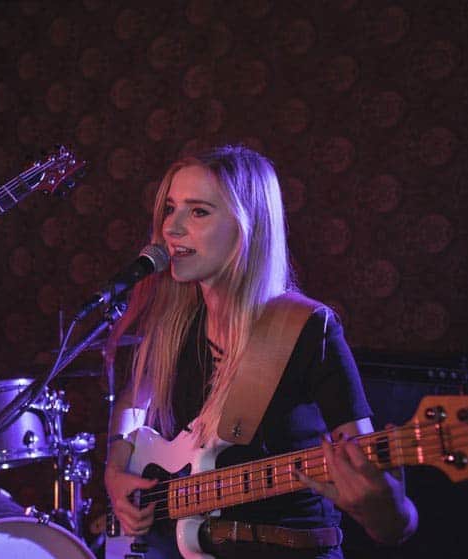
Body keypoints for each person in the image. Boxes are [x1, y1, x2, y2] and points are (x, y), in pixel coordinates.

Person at [103, 145, 417, 558]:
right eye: (170, 209)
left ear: (247, 226)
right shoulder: (175, 325)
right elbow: (133, 400)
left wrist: (382, 506)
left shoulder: (307, 328)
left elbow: (393, 519)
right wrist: (116, 468)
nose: (170, 229)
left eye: (198, 212)